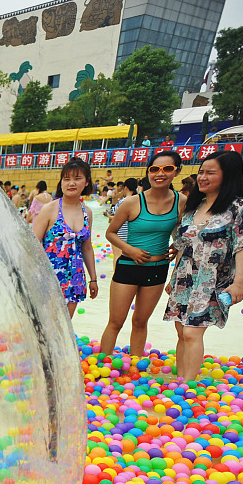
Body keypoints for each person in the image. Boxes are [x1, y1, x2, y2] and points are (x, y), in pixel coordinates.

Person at [163, 150, 243, 383]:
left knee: (193, 331)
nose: (203, 177)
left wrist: (239, 283)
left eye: (210, 173)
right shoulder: (196, 205)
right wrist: (173, 278)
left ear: (228, 176)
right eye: (201, 172)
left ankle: (189, 386)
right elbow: (184, 245)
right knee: (181, 331)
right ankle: (181, 381)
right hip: (185, 277)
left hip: (212, 279)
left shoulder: (240, 207)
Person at [99, 150, 185, 357]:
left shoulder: (181, 201)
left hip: (157, 269)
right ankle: (104, 363)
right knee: (116, 321)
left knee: (140, 321)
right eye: (154, 169)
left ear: (177, 171)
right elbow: (110, 233)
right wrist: (130, 250)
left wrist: (177, 247)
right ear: (148, 172)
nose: (160, 173)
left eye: (167, 169)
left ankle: (136, 365)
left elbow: (182, 235)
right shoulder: (132, 202)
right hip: (128, 267)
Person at [33, 157, 96, 318]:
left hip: (75, 276)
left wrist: (93, 279)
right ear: (61, 183)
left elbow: (87, 247)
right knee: (46, 325)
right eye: (66, 179)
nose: (71, 183)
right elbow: (32, 244)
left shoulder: (87, 212)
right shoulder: (50, 209)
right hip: (49, 276)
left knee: (65, 325)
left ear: (86, 182)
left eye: (77, 178)